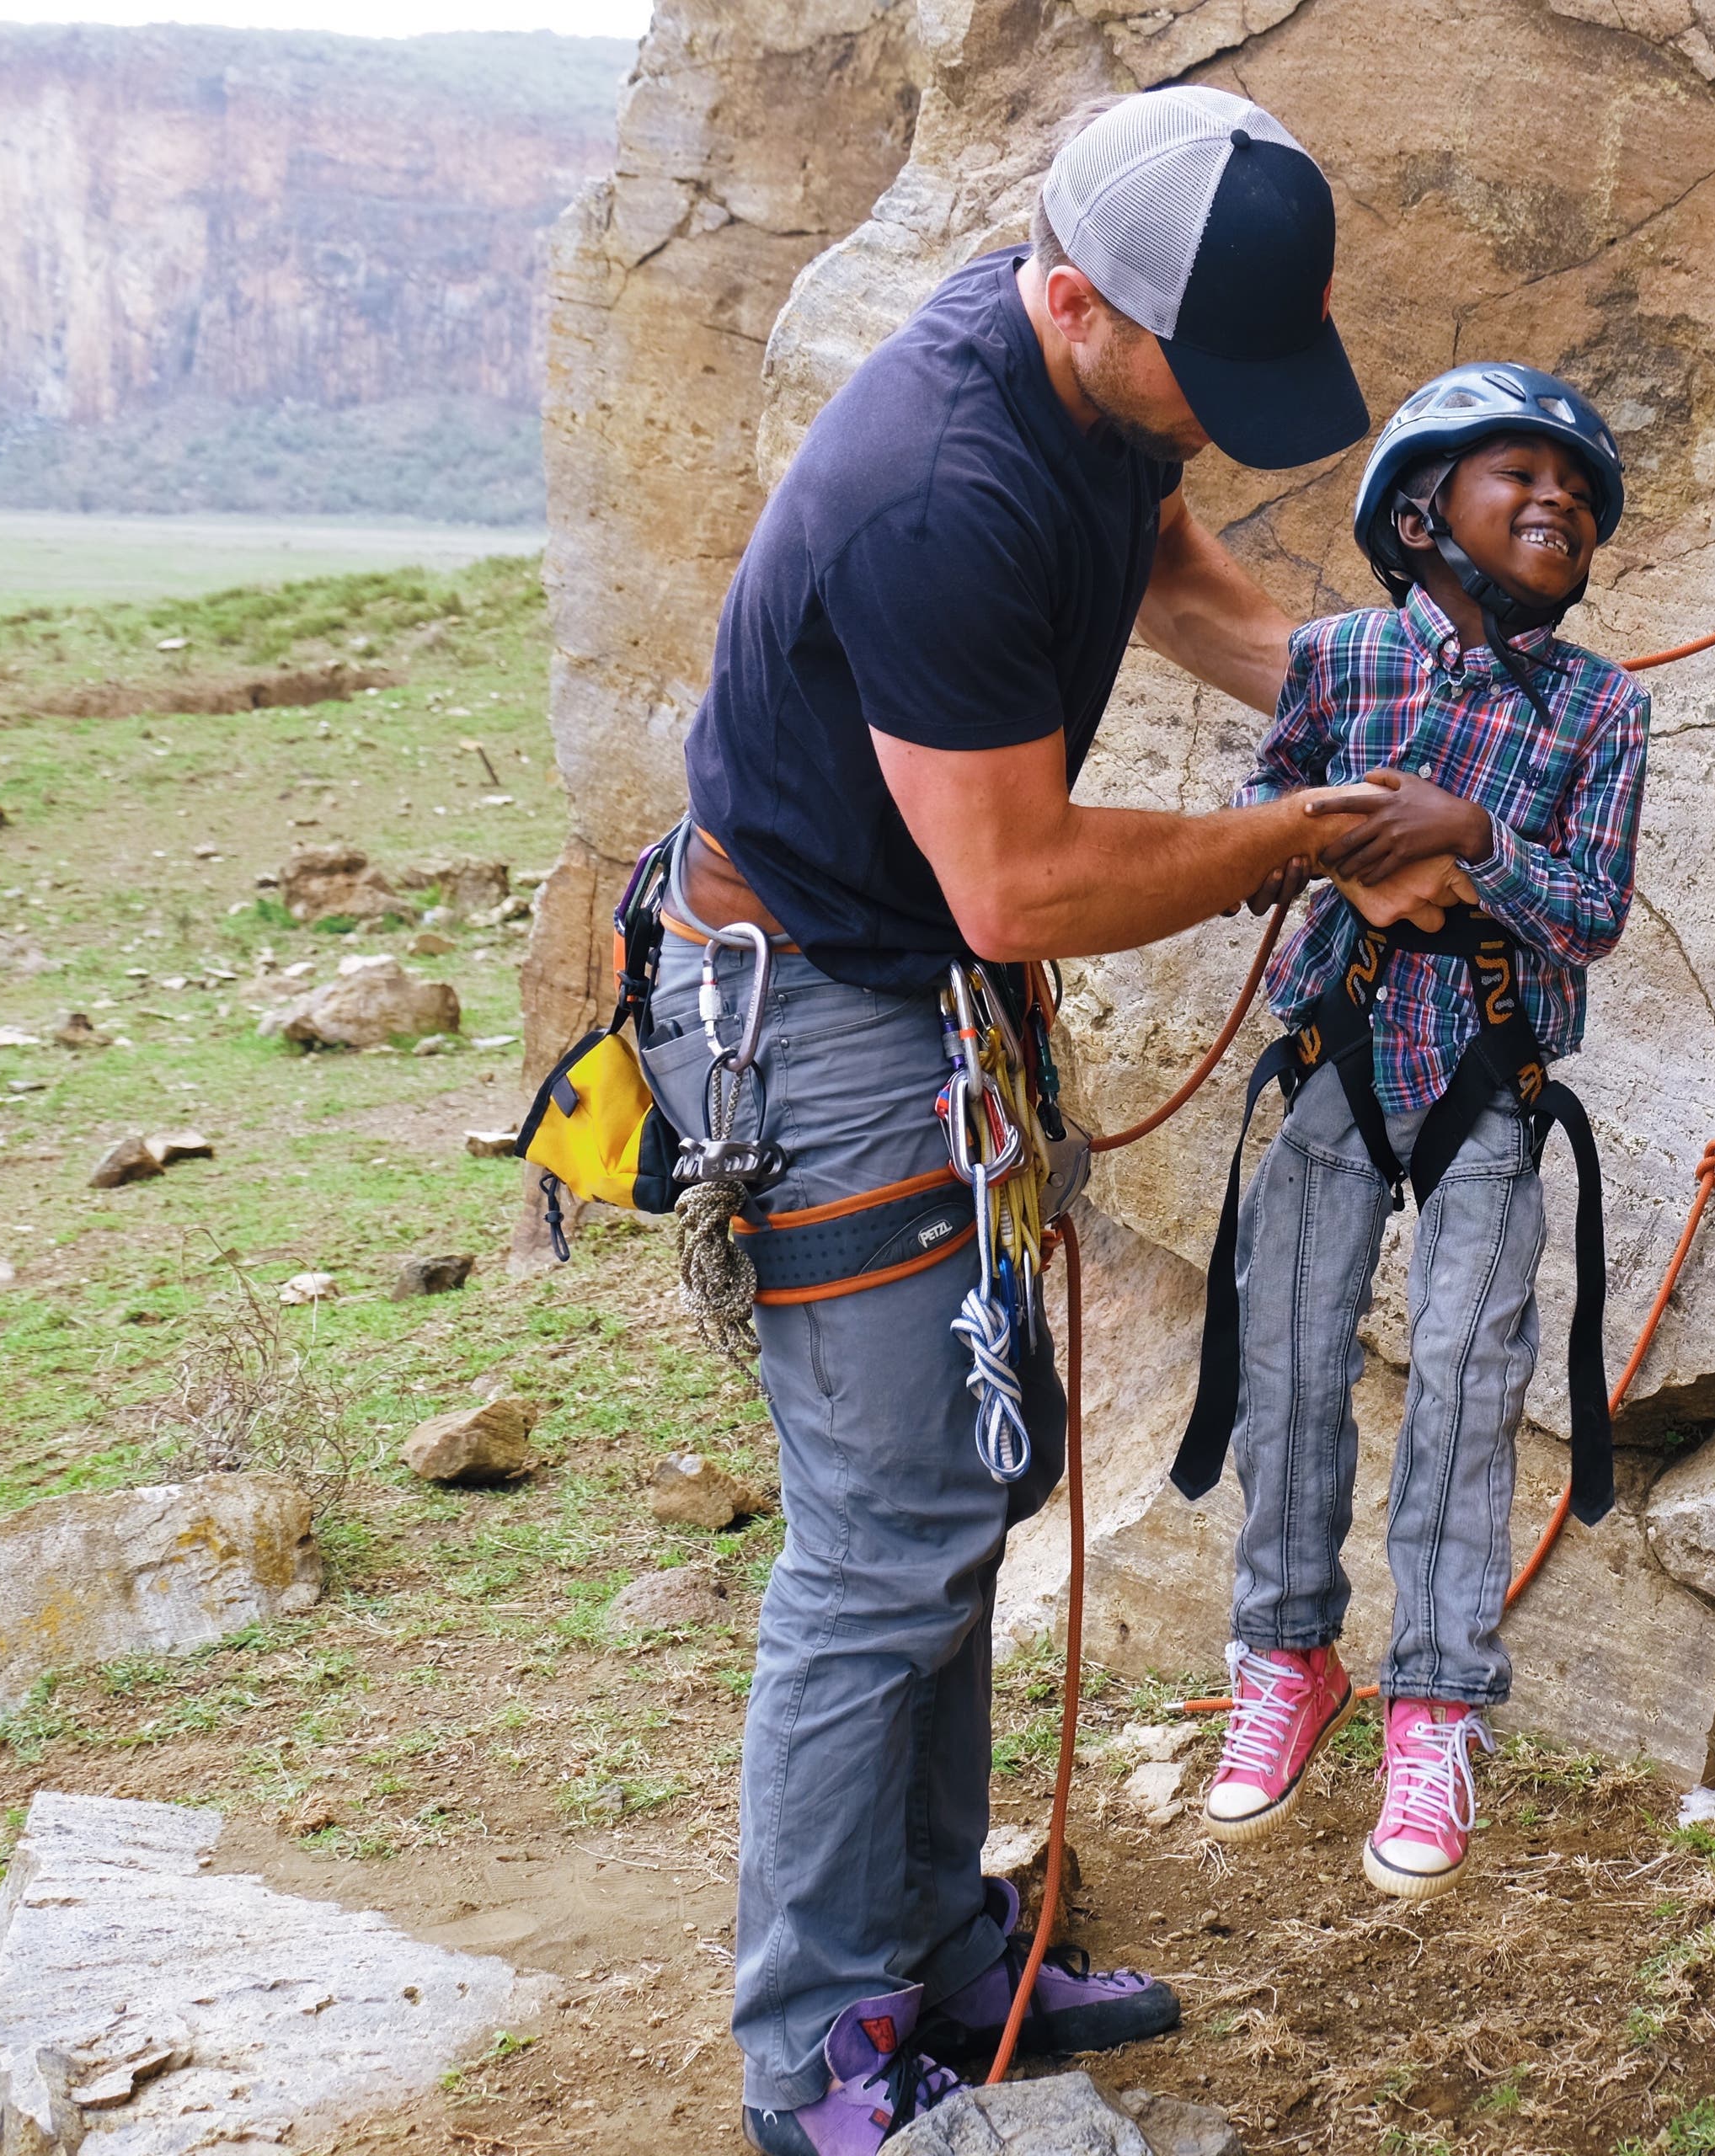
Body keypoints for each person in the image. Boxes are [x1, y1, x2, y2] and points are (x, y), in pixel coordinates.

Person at [646, 87, 1449, 2156]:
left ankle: (936, 1935)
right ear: (1079, 301)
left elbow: (1173, 566)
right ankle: (815, 2044)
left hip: (915, 989)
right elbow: (1020, 878)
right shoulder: (944, 481)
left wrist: (1400, 711)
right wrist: (1302, 839)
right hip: (816, 1007)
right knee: (884, 1533)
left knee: (970, 1481)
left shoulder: (1089, 396)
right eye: (1207, 371)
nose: (1222, 414)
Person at [1191, 363, 1650, 1901]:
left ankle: (1435, 1704)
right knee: (1293, 1355)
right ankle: (1287, 1662)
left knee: (1465, 1374)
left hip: (1491, 1077)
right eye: (1517, 475)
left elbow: (1587, 916)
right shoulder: (1333, 663)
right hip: (1335, 1050)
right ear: (1417, 508)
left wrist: (1471, 841)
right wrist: (1324, 844)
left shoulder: (1602, 709)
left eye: (1578, 494)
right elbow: (1266, 819)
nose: (1556, 503)